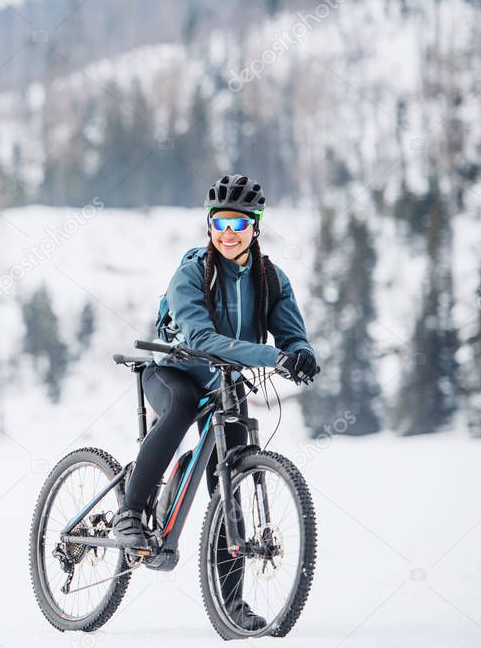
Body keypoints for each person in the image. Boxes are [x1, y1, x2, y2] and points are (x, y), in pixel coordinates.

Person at [112, 174, 319, 630]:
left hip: (226, 383)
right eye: (221, 222)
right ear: (209, 226)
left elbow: (290, 332)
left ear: (256, 228)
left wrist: (301, 353)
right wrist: (272, 355)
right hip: (173, 371)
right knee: (182, 407)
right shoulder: (192, 272)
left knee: (231, 492)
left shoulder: (270, 279)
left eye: (239, 224)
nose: (229, 233)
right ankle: (128, 513)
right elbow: (202, 337)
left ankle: (234, 606)